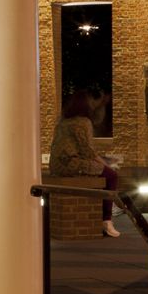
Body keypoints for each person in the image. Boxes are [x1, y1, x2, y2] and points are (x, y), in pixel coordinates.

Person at [49, 91, 121, 236]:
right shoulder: (83, 122)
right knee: (111, 175)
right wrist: (105, 164)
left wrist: (101, 104)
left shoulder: (64, 122)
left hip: (57, 165)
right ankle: (107, 219)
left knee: (101, 170)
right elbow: (87, 150)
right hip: (71, 164)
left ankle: (109, 204)